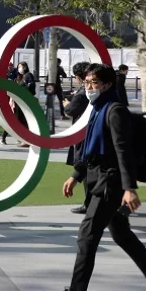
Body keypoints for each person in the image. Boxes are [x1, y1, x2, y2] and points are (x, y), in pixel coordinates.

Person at [45, 63, 146, 291]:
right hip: (99, 178)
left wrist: (129, 188)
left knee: (87, 236)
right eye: (87, 83)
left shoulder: (114, 111)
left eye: (94, 83)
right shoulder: (97, 108)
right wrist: (76, 175)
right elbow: (91, 149)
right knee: (122, 234)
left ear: (107, 85)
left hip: (110, 183)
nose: (89, 87)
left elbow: (122, 151)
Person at [63, 62, 90, 215]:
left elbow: (71, 110)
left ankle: (89, 203)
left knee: (84, 165)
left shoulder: (82, 93)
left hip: (83, 134)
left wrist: (67, 103)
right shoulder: (89, 90)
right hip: (88, 132)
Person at [0, 61, 36, 147]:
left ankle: (23, 139)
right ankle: (22, 139)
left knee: (18, 121)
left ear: (25, 67)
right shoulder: (19, 77)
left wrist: (22, 91)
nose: (20, 69)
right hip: (18, 103)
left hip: (23, 102)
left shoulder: (28, 76)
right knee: (16, 121)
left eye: (22, 67)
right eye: (19, 67)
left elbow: (31, 86)